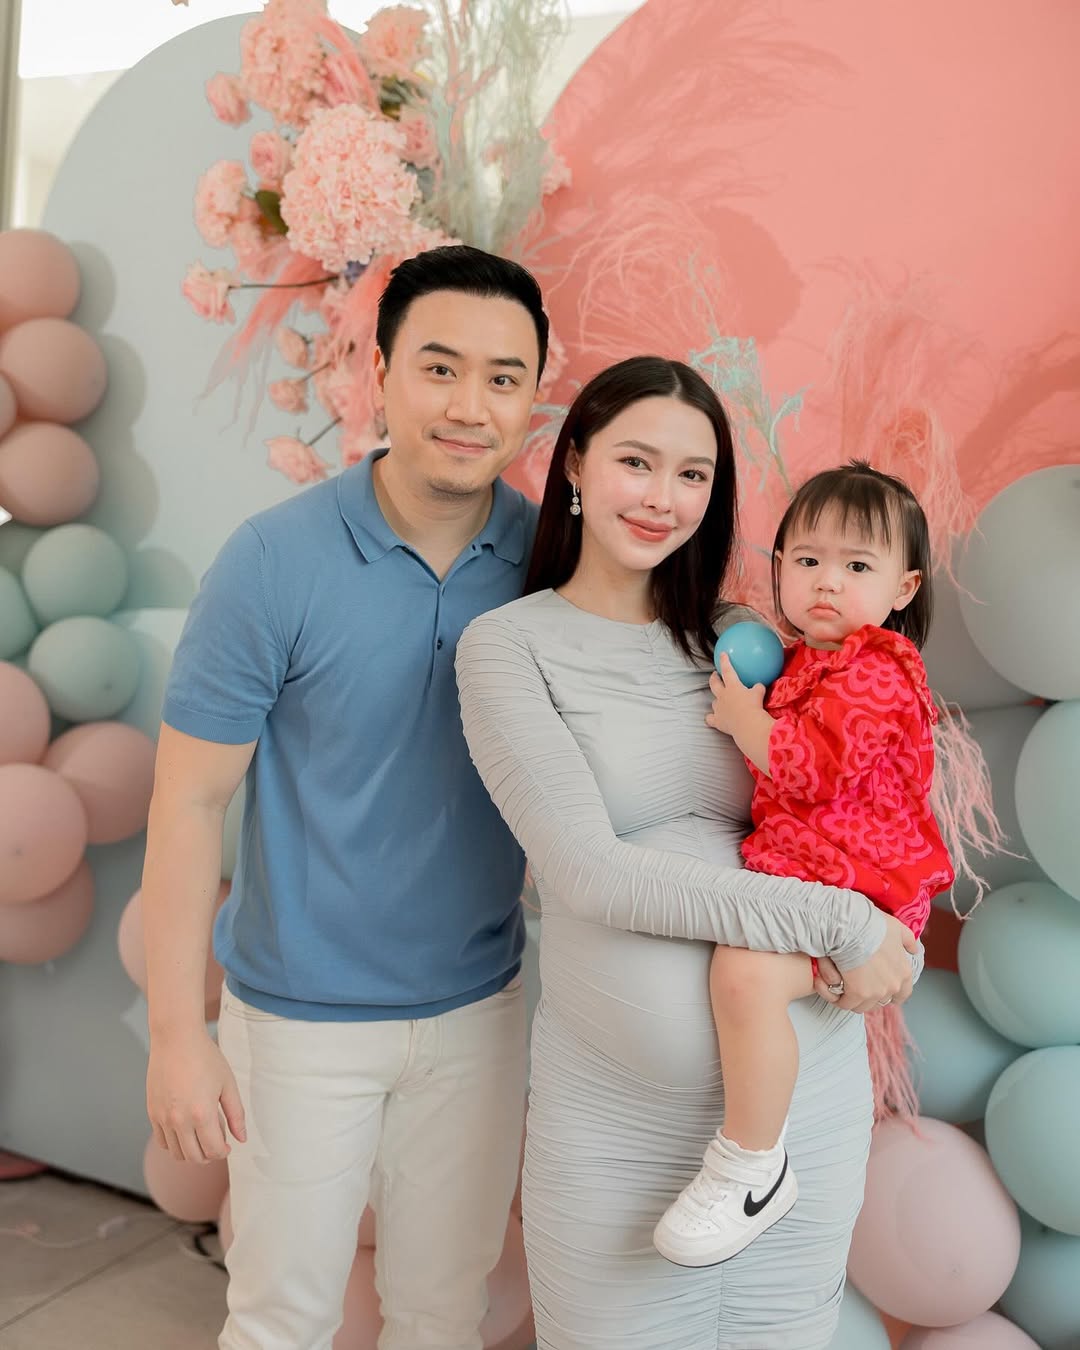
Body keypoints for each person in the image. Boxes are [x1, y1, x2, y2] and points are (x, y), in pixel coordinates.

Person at [455, 356, 922, 1350]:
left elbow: (854, 792)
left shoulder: (746, 637)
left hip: (804, 1116)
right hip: (619, 1130)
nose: (662, 497)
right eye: (636, 461)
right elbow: (588, 873)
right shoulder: (508, 647)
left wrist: (894, 918)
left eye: (693, 474)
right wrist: (846, 924)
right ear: (575, 462)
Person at [141, 245, 547, 1350]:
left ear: (534, 398)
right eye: (440, 368)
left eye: (503, 378)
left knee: (442, 1316)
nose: (469, 407)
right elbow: (187, 805)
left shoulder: (551, 560)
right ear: (380, 373)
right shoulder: (272, 562)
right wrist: (178, 1035)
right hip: (298, 1020)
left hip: (480, 1008)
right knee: (281, 1318)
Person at [653, 461, 954, 1268]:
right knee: (737, 969)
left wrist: (743, 720)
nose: (827, 582)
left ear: (903, 587)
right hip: (814, 881)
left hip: (865, 892)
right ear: (780, 566)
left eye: (857, 566)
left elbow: (812, 769)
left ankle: (752, 1166)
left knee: (745, 976)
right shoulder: (804, 659)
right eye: (809, 560)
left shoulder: (879, 670)